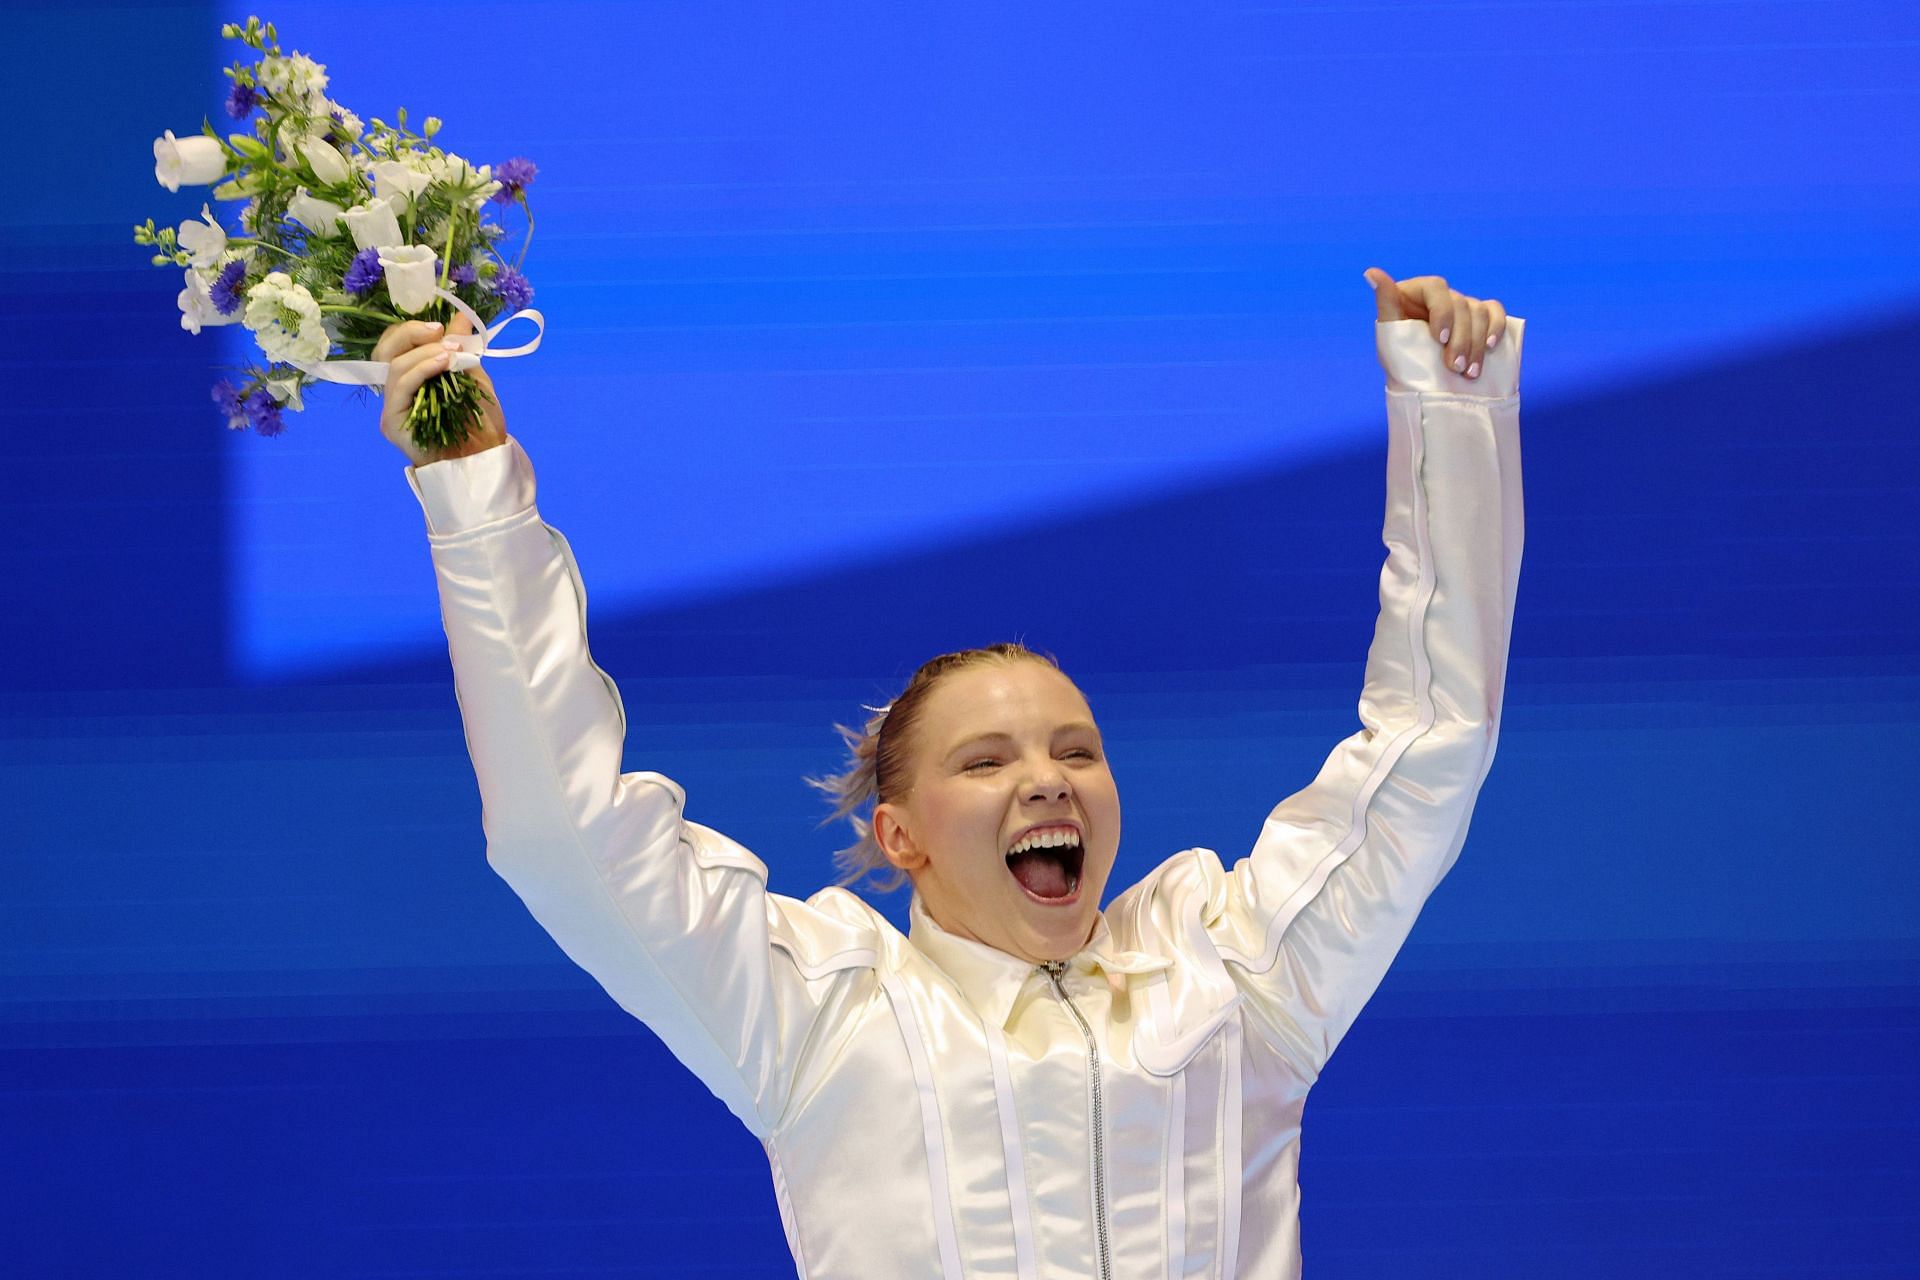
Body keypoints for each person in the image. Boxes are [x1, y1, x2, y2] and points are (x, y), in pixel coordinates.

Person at [377, 267, 1524, 1279]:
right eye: (987, 760)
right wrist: (476, 497)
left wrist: (1451, 407)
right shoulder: (812, 1014)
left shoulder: (1238, 969)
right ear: (901, 835)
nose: (1047, 779)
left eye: (1076, 748)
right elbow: (560, 828)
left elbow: (1431, 742)